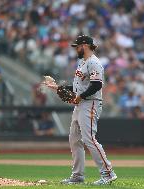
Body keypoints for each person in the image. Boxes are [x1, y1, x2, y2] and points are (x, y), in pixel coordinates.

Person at [45, 35, 117, 185]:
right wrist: (58, 87)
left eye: (77, 46)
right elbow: (78, 88)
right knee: (74, 139)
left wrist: (81, 96)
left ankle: (108, 173)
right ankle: (78, 176)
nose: (76, 49)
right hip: (81, 104)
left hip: (90, 103)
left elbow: (97, 85)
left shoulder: (94, 62)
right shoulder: (83, 62)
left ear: (85, 45)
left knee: (89, 138)